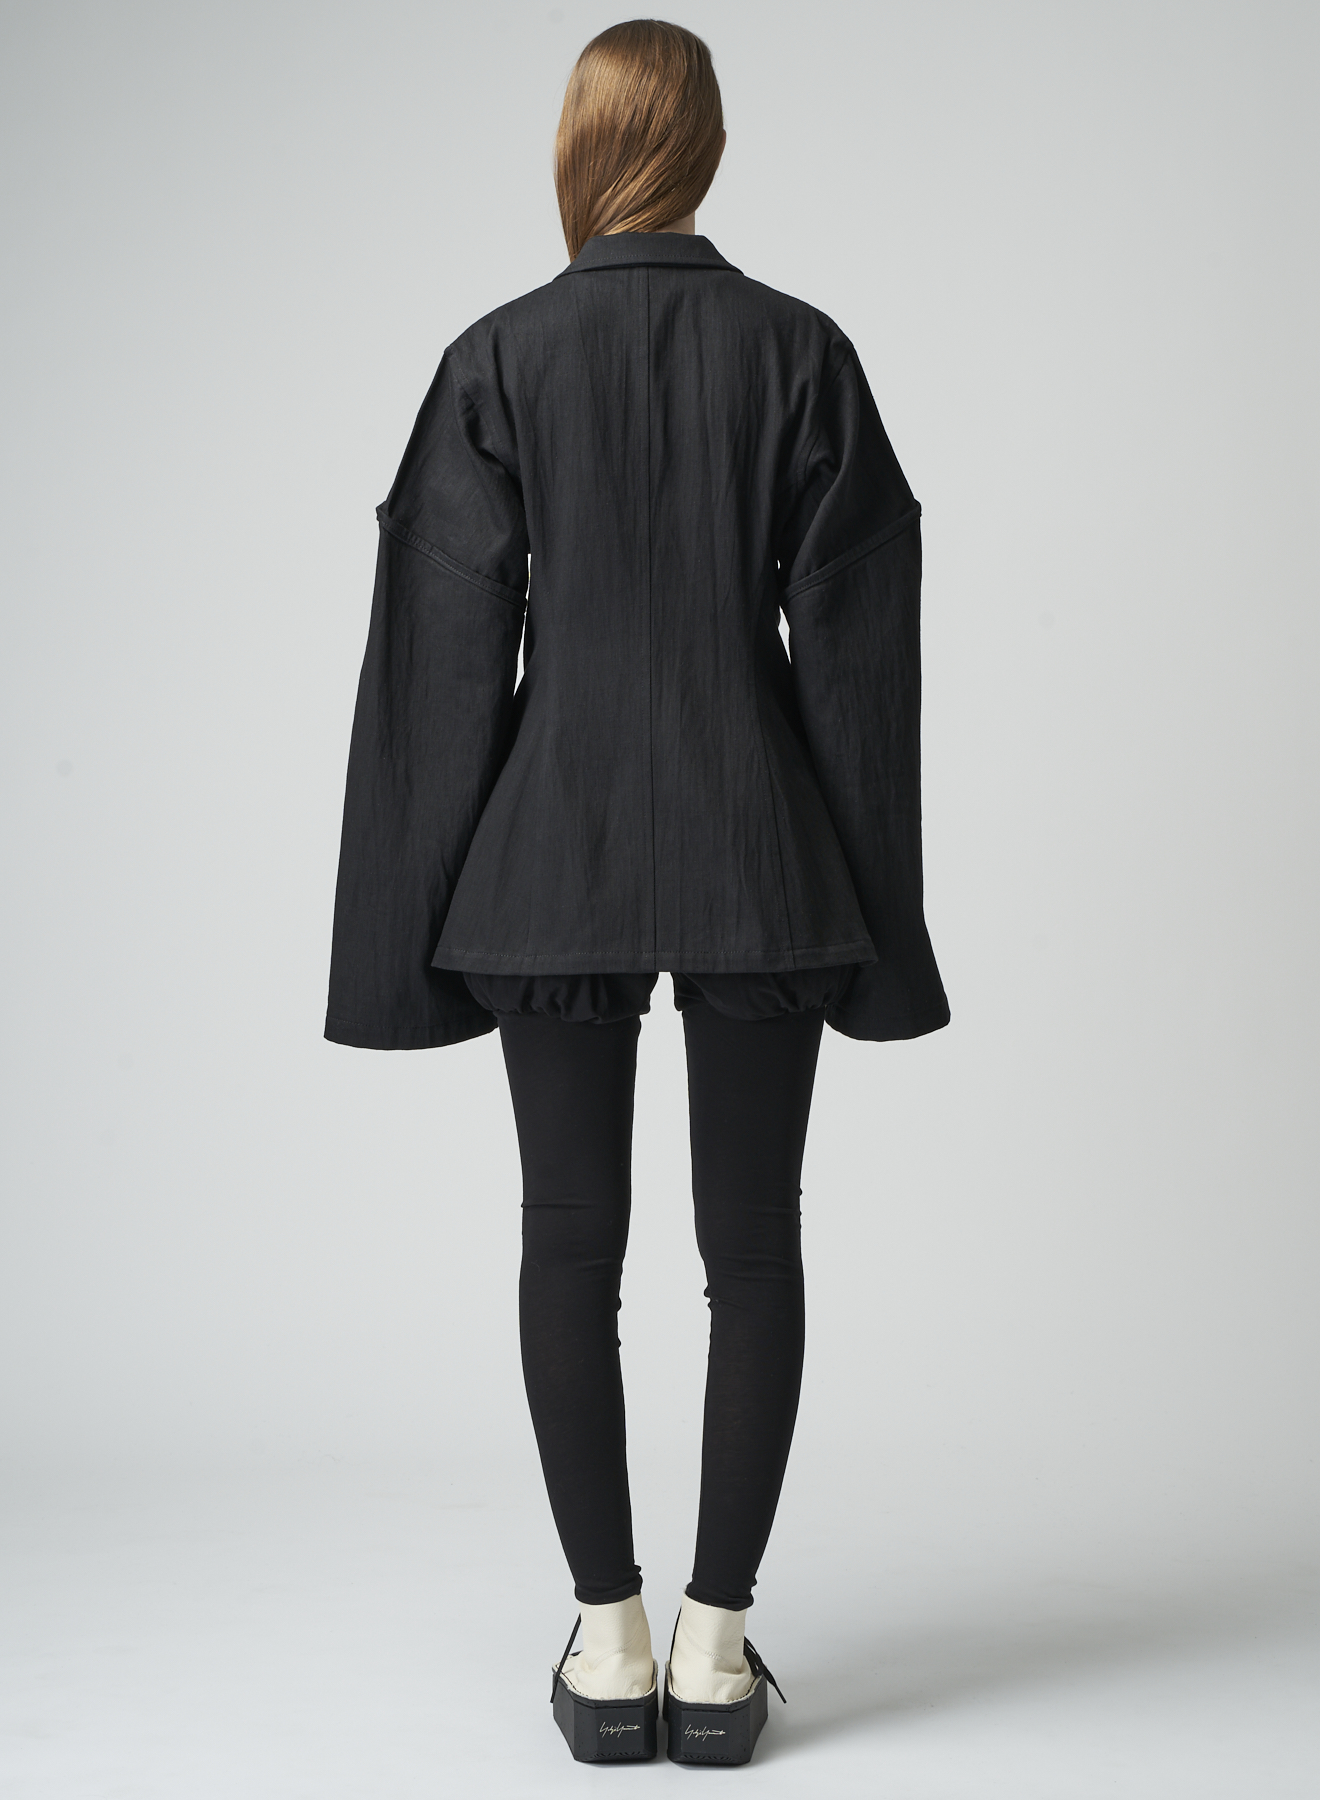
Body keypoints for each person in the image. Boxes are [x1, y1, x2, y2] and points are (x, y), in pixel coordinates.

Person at [324, 17, 949, 1767]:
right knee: (754, 1247)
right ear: (710, 148)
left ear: (582, 147)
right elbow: (858, 651)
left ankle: (607, 1648)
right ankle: (716, 1652)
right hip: (761, 848)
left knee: (566, 1244)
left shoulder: (497, 357)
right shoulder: (802, 350)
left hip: (556, 847)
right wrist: (875, 916)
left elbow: (444, 646)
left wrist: (409, 928)